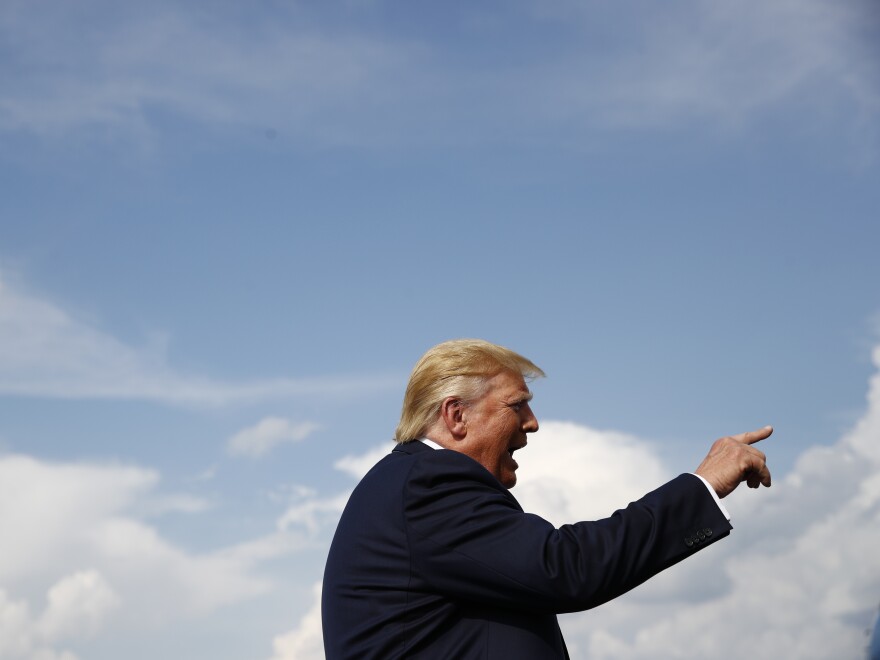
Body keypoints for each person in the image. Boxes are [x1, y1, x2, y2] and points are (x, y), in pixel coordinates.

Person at [322, 339, 772, 659]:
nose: (533, 423)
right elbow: (566, 568)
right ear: (456, 416)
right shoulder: (429, 483)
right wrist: (704, 485)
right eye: (517, 406)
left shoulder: (413, 483)